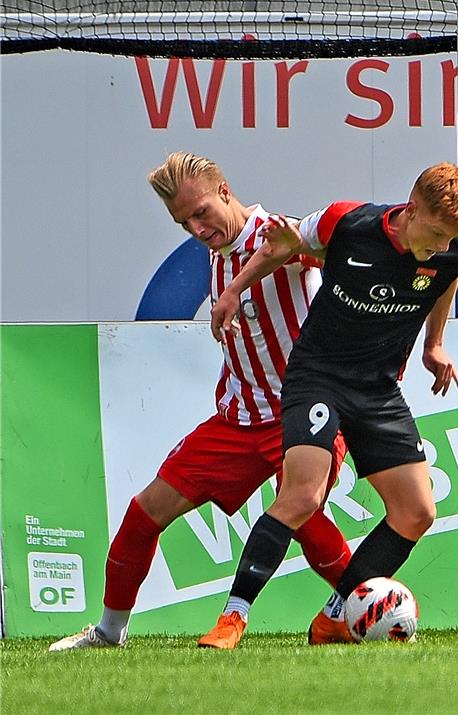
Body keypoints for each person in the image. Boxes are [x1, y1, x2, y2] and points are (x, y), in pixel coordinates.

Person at [49, 152, 352, 651]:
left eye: (202, 212)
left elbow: (326, 254)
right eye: (183, 221)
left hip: (300, 416)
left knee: (302, 518)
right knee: (142, 514)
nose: (196, 227)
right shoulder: (218, 247)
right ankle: (108, 633)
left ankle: (361, 601)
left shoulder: (278, 233)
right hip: (237, 419)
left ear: (226, 192)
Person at [197, 162, 458, 650]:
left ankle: (334, 617)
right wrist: (233, 290)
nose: (438, 246)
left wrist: (434, 344)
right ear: (411, 210)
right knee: (302, 497)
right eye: (433, 233)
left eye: (449, 237)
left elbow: (447, 273)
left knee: (416, 511)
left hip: (378, 388)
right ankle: (232, 619)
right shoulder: (346, 223)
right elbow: (280, 246)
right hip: (318, 378)